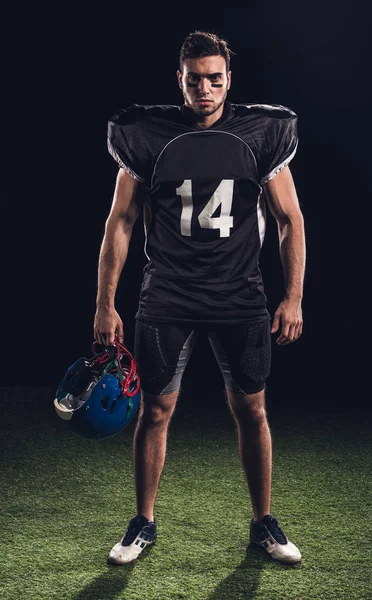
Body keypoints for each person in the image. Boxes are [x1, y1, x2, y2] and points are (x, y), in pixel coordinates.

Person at [94, 30, 306, 565]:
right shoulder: (147, 134)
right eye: (195, 80)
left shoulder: (261, 133)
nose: (205, 90)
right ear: (180, 81)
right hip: (168, 293)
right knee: (156, 410)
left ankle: (264, 524)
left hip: (239, 294)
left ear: (229, 79)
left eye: (215, 79)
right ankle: (142, 523)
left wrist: (294, 296)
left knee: (252, 409)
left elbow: (289, 220)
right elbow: (120, 222)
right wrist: (105, 302)